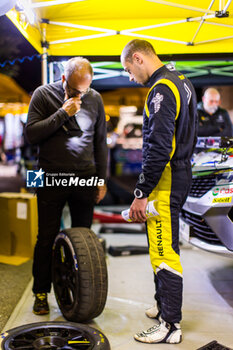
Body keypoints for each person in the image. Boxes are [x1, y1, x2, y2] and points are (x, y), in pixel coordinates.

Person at [121, 39, 197, 344]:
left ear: (139, 58)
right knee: (159, 242)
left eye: (128, 69)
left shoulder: (161, 90)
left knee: (164, 251)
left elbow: (159, 147)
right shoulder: (181, 80)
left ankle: (171, 325)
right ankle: (163, 305)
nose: (129, 77)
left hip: (167, 178)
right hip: (178, 173)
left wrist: (141, 193)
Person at [26, 57, 108, 315]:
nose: (80, 95)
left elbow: (101, 142)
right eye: (74, 90)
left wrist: (102, 179)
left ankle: (78, 293)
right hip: (49, 175)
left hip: (85, 176)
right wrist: (63, 113)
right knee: (45, 237)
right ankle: (41, 293)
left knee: (85, 239)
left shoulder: (95, 98)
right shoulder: (42, 94)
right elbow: (31, 135)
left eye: (84, 90)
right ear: (63, 79)